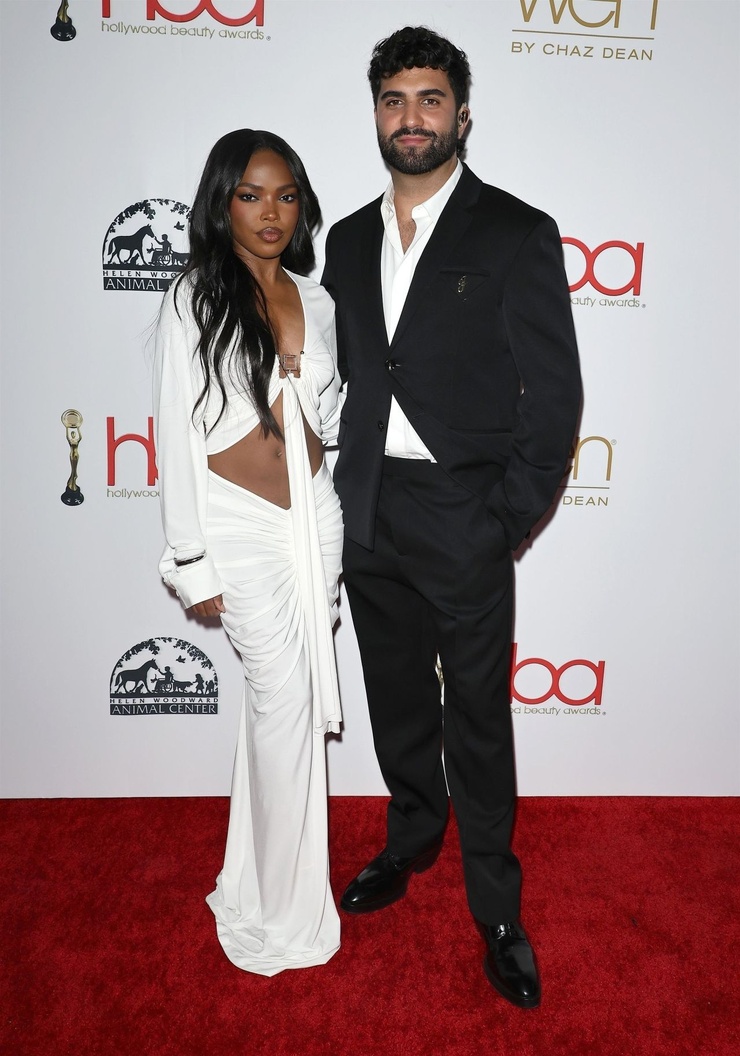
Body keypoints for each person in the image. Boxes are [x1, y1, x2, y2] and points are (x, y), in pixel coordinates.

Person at [322, 27, 581, 1008]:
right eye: (393, 100)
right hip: (368, 511)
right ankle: (410, 838)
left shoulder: (515, 231)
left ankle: (498, 912)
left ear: (461, 115)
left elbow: (552, 399)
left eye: (429, 99)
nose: (411, 118)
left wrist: (501, 520)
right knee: (395, 698)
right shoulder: (346, 240)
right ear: (375, 114)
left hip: (462, 513)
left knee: (476, 718)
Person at [153, 129, 343, 976]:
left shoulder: (318, 299)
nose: (272, 212)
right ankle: (281, 909)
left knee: (285, 709)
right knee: (283, 703)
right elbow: (175, 430)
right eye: (252, 195)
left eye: (287, 196)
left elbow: (326, 420)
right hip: (239, 525)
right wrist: (189, 558)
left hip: (315, 520)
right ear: (222, 201)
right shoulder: (193, 296)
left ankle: (257, 880)